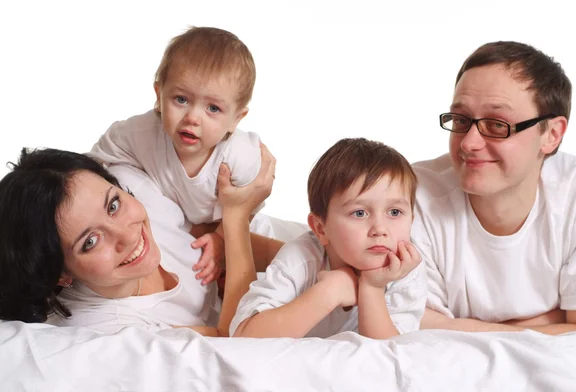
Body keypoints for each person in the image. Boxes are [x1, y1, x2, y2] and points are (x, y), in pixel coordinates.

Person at [413, 41, 576, 334]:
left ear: (551, 134)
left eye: (498, 124)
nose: (468, 143)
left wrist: (457, 327)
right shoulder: (411, 195)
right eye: (461, 120)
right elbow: (417, 328)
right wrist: (559, 319)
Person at [0, 144, 276, 337]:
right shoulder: (111, 331)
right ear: (60, 275)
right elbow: (236, 343)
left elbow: (214, 237)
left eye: (113, 206)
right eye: (90, 242)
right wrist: (237, 214)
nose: (127, 235)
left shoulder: (138, 187)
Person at [88, 26, 282, 286]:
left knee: (260, 279)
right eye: (181, 99)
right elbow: (94, 163)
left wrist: (221, 238)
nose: (192, 117)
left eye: (213, 108)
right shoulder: (140, 133)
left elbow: (248, 203)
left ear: (236, 119)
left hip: (238, 228)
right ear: (159, 95)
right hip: (184, 232)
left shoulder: (240, 157)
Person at [230, 138, 427, 339]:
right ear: (320, 228)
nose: (380, 229)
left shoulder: (407, 270)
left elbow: (388, 353)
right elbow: (244, 336)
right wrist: (329, 292)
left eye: (394, 212)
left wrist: (372, 287)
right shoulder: (302, 258)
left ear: (412, 219)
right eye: (359, 213)